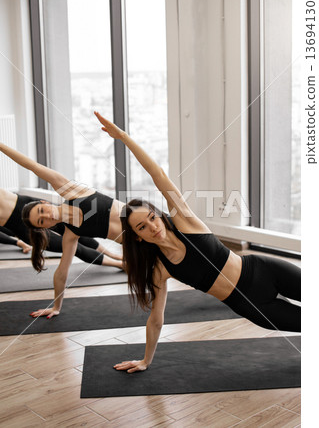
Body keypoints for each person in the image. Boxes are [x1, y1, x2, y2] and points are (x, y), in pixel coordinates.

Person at [94, 111, 301, 374]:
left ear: (158, 214)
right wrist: (145, 360)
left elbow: (158, 174)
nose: (152, 226)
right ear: (137, 236)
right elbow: (156, 320)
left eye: (152, 217)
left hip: (265, 270)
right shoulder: (161, 268)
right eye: (142, 227)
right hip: (252, 305)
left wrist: (122, 137)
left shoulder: (185, 223)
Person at [0, 146, 124, 319]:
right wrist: (56, 306)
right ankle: (121, 263)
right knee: (77, 245)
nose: (48, 214)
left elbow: (31, 165)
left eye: (44, 209)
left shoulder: (72, 192)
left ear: (44, 202)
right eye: (43, 220)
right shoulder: (70, 234)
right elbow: (61, 273)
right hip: (145, 245)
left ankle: (117, 258)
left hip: (157, 226)